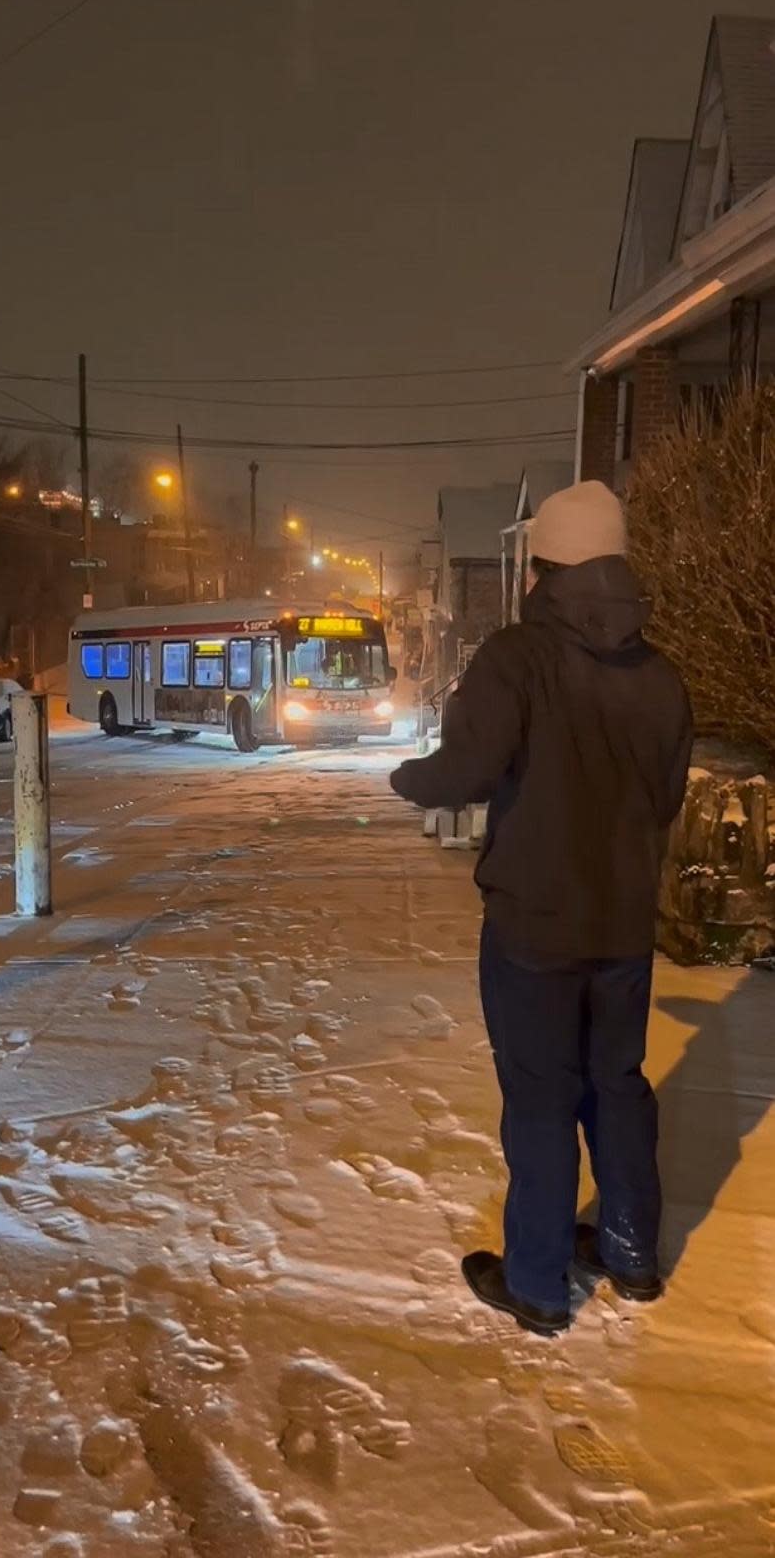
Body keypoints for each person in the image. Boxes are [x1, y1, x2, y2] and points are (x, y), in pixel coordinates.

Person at [390, 480, 692, 1337]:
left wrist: (404, 778)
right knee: (617, 1084)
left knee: (540, 1095)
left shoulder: (516, 657)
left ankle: (535, 1281)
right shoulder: (660, 676)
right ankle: (630, 1254)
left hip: (534, 925)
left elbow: (463, 773)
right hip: (624, 926)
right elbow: (664, 796)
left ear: (546, 569)